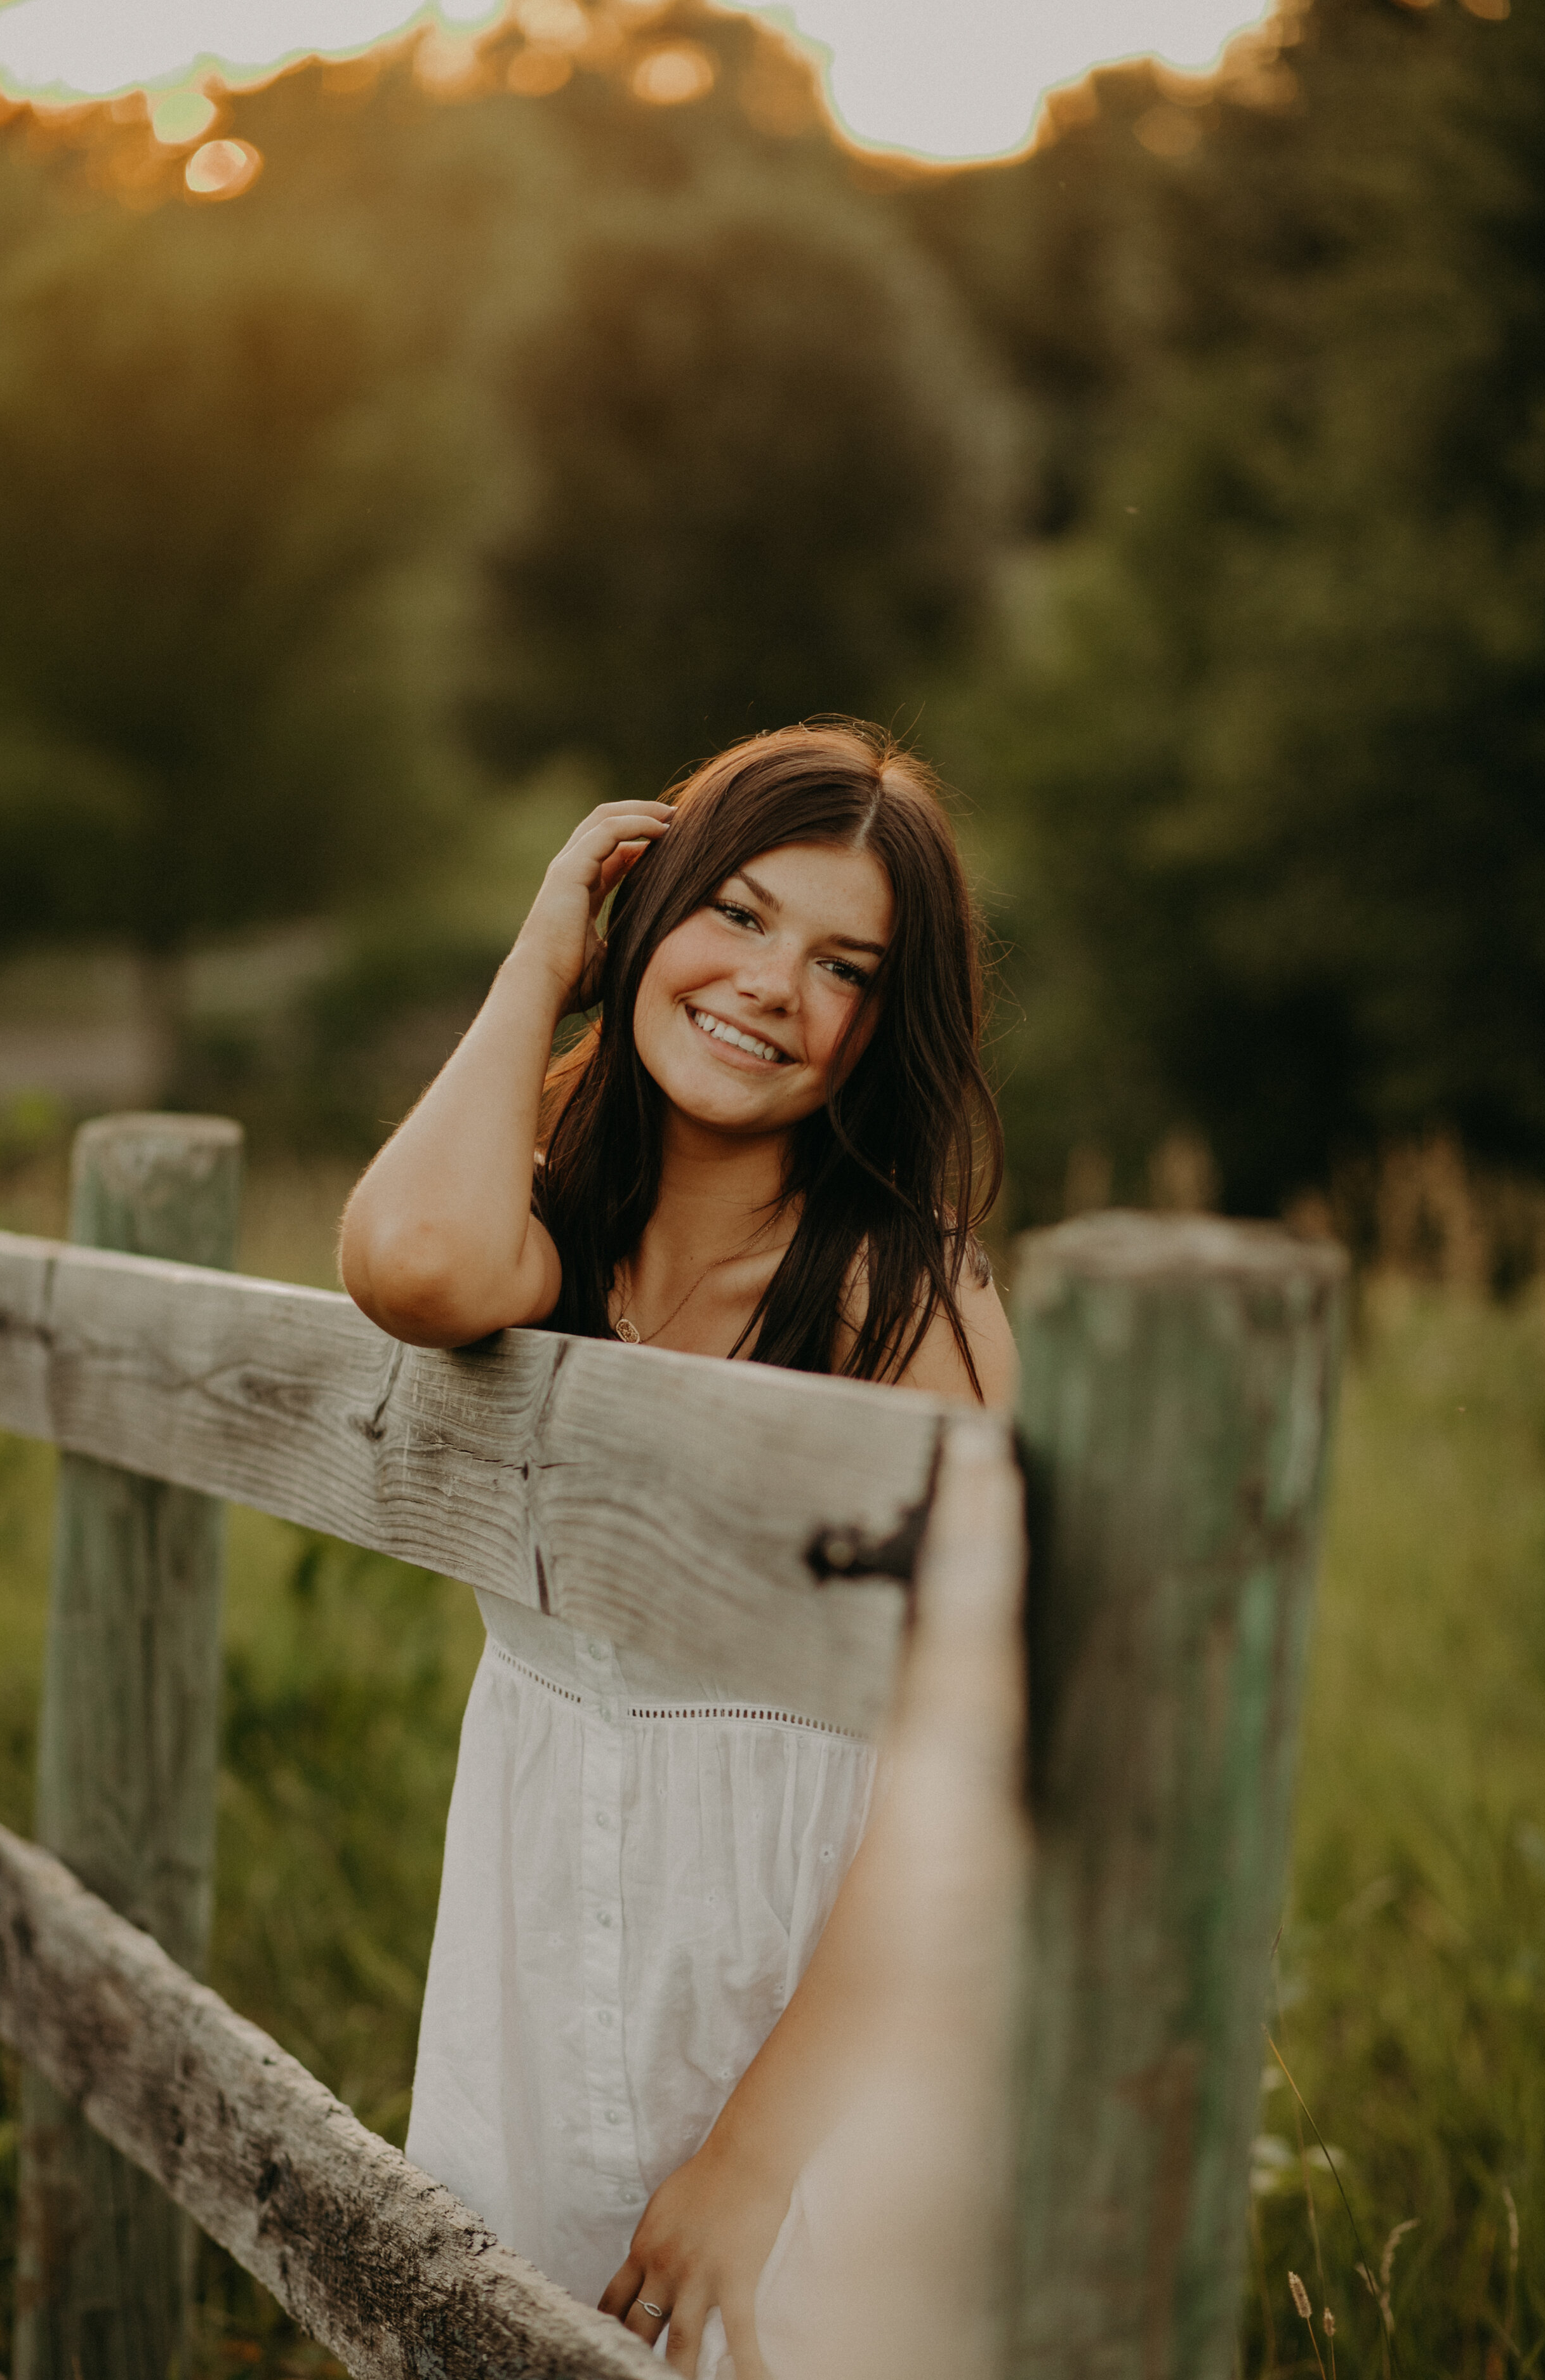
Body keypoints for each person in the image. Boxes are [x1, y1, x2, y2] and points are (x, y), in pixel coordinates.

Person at [339, 720, 1016, 2378]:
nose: (773, 986)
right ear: (644, 923)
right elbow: (414, 1262)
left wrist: (751, 2162)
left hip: (798, 2001)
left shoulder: (907, 1308)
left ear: (881, 1025)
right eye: (734, 914)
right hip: (533, 1955)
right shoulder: (551, 1238)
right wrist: (543, 948)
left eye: (843, 963)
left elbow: (971, 1774)